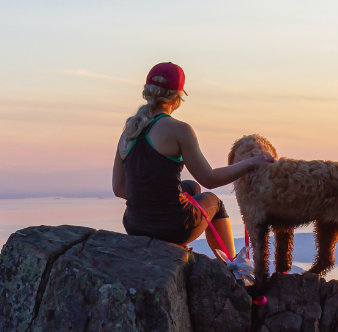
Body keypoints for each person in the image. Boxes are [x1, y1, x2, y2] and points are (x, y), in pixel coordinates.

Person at [112, 62, 273, 255]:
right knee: (214, 202)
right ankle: (232, 267)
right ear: (177, 97)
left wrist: (149, 201)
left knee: (191, 188)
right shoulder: (179, 130)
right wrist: (250, 163)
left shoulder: (129, 132)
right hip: (173, 228)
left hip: (135, 225)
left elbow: (119, 188)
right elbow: (210, 179)